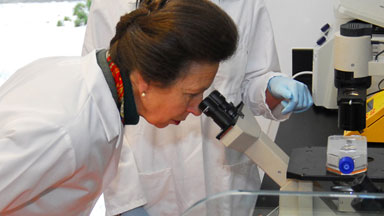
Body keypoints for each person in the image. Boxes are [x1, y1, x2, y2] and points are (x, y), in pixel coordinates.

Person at [0, 0, 238, 215]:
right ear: (147, 79)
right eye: (191, 94)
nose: (197, 109)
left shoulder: (93, 85)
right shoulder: (65, 131)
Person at [83, 0, 313, 215]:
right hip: (148, 180)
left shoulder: (242, 3)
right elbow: (102, 104)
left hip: (226, 179)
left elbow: (250, 77)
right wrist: (127, 200)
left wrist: (270, 87)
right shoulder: (112, 5)